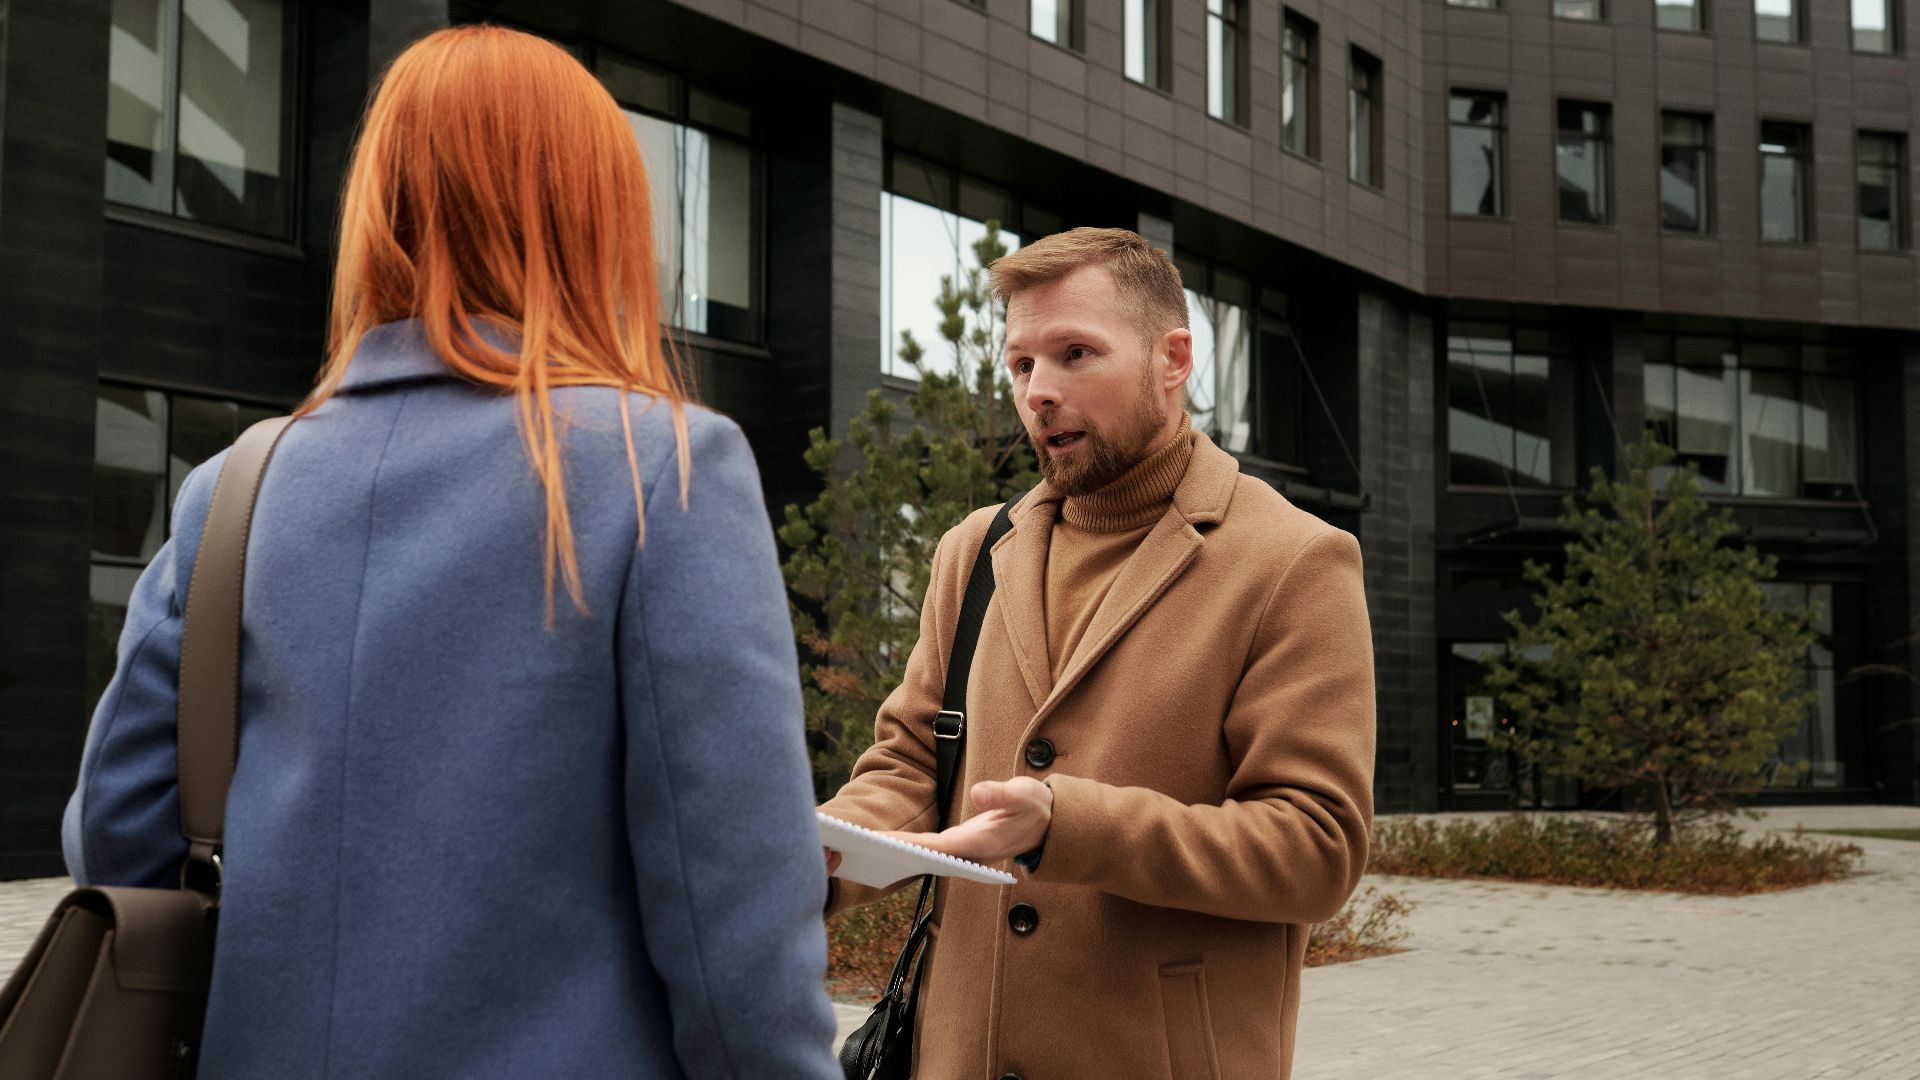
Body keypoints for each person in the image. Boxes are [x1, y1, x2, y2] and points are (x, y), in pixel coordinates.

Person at [62, 26, 840, 1080]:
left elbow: (118, 838)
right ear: (593, 215)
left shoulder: (234, 487)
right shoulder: (664, 465)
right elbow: (733, 925)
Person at [819, 228, 1376, 1080]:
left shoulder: (1294, 560)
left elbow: (1316, 847)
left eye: (1076, 353)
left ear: (1172, 358)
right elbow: (907, 768)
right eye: (1020, 366)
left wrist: (1068, 826)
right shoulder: (974, 550)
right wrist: (813, 864)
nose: (1039, 391)